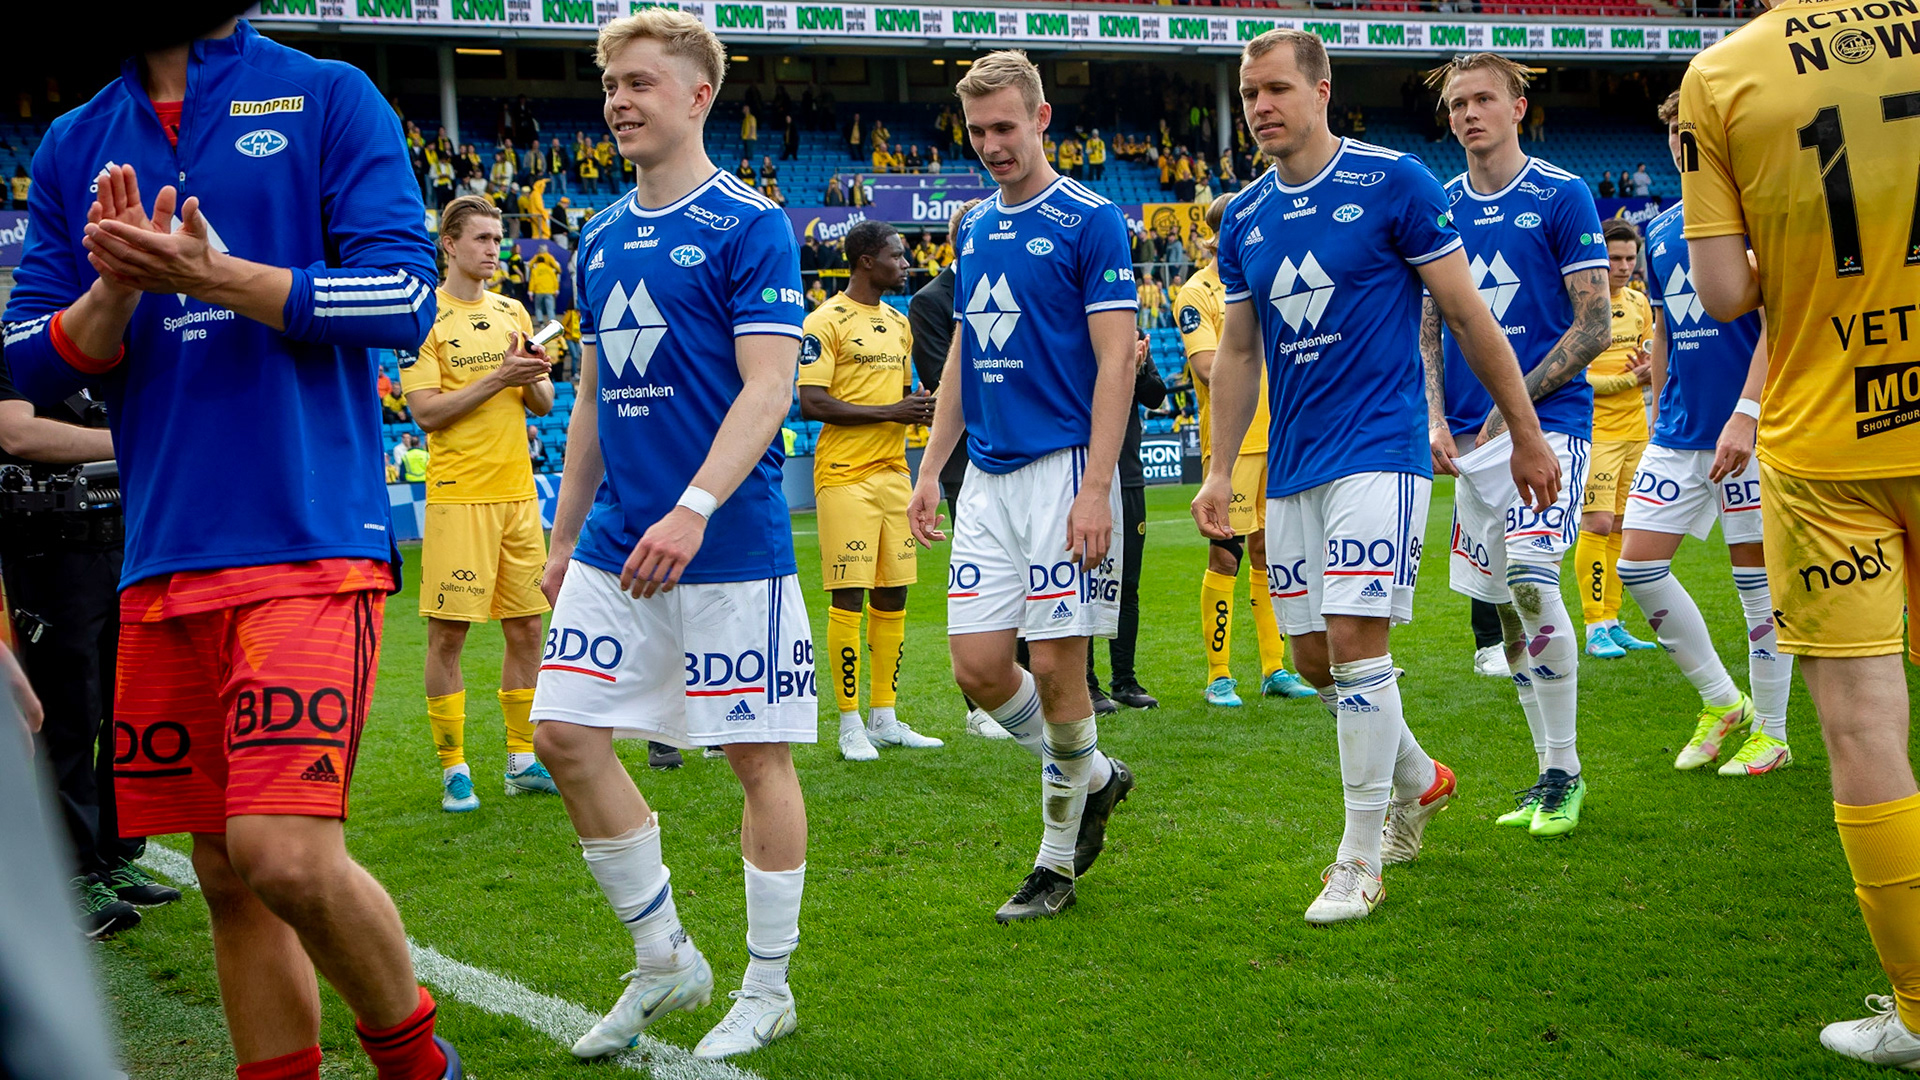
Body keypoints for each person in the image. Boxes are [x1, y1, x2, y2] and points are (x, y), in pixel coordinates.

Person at [3, 15, 463, 1080]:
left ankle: (424, 1069)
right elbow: (30, 356)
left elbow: (404, 296)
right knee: (224, 872)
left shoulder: (328, 93)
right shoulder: (76, 138)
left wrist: (220, 277)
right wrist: (117, 286)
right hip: (161, 557)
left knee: (282, 853)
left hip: (307, 540)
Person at [1196, 30, 1554, 924]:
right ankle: (1420, 777)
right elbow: (1237, 352)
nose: (1260, 107)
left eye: (1277, 89)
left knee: (1358, 645)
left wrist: (1525, 432)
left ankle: (1358, 859)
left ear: (1322, 90)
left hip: (1380, 451)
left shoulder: (1395, 181)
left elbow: (1467, 315)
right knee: (1314, 659)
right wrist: (1215, 470)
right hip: (1292, 466)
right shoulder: (1245, 216)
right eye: (1249, 93)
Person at [532, 10, 814, 1062]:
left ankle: (768, 987)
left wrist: (693, 507)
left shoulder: (750, 224)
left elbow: (769, 386)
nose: (617, 102)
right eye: (610, 85)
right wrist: (565, 537)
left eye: (639, 83)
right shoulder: (598, 235)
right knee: (564, 734)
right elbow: (593, 398)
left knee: (753, 756)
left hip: (726, 541)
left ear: (699, 96)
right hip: (617, 541)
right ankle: (664, 959)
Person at [1679, 0, 1920, 1062]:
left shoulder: (1721, 74)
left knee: (1864, 729)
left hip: (1828, 441)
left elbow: (1726, 290)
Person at [907, 50, 1138, 924]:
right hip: (988, 477)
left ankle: (1055, 864)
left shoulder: (1090, 219)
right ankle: (1096, 774)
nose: (992, 144)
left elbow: (1116, 360)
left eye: (1005, 126)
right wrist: (932, 467)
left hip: (1063, 470)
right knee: (977, 668)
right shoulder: (972, 226)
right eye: (977, 131)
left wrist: (1095, 487)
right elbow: (965, 354)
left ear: (1042, 119)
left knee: (1056, 668)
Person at [1422, 52, 1611, 838]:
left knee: (1533, 581)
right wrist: (1436, 419)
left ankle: (1567, 772)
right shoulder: (1439, 205)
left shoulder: (1561, 194)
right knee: (1505, 613)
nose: (1468, 114)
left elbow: (1594, 325)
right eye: (1457, 104)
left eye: (1482, 100)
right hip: (1472, 443)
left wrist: (1513, 408)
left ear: (1518, 107)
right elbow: (1430, 329)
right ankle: (1544, 774)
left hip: (1548, 427)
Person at [1616, 90, 1790, 778]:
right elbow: (1664, 326)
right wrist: (1658, 403)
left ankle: (1772, 732)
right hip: (1679, 432)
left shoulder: (1756, 213)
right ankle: (1723, 701)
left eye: (1692, 134)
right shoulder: (1661, 229)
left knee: (1757, 587)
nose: (1682, 147)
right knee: (1637, 565)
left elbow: (1779, 324)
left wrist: (1748, 413)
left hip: (1751, 430)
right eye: (1674, 137)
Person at [0, 348, 174, 940]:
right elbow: (16, 433)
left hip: (126, 539)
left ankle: (116, 855)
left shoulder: (116, 339)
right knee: (67, 713)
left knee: (128, 710)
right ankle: (75, 873)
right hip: (47, 546)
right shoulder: (15, 342)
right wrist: (133, 441)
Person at [401, 195, 560, 813]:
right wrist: (499, 376)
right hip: (459, 497)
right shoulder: (424, 318)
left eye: (498, 239)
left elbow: (542, 403)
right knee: (449, 636)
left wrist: (533, 371)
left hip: (518, 495)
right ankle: (454, 769)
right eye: (482, 239)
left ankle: (521, 760)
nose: (495, 249)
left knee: (528, 627)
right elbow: (427, 413)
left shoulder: (512, 310)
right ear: (450, 244)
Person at [797, 221, 943, 761]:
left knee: (894, 593)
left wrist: (919, 407)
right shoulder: (824, 320)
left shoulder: (900, 324)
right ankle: (849, 723)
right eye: (896, 256)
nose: (905, 264)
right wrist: (893, 411)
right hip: (844, 475)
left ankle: (885, 717)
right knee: (849, 595)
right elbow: (812, 402)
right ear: (865, 261)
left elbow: (902, 400)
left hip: (893, 474)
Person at [1175, 195, 1313, 707]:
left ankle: (1275, 668)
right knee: (1225, 553)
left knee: (1270, 554)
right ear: (1219, 236)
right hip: (1233, 445)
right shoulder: (1197, 293)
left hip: (1280, 435)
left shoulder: (1266, 279)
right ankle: (1219, 675)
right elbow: (1208, 366)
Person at [907, 199, 1008, 741]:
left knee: (1023, 576)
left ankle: (1020, 689)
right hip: (965, 454)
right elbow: (940, 375)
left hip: (1017, 447)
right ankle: (979, 705)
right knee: (979, 574)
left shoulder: (1008, 278)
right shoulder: (929, 301)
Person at [1575, 218, 1658, 659]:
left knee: (1624, 525)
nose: (1624, 266)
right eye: (1614, 258)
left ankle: (1612, 619)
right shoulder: (1580, 305)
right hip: (1597, 431)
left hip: (1635, 429)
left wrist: (1649, 370)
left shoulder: (1640, 302)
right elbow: (1578, 376)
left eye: (1629, 258)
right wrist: (1630, 381)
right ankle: (1593, 626)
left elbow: (1650, 357)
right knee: (1598, 523)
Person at [1087, 330, 1164, 713]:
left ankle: (1124, 680)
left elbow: (1156, 396)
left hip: (1129, 476)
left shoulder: (1132, 337)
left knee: (1127, 584)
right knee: (1082, 584)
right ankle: (1085, 683)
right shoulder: (1078, 338)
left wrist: (1138, 369)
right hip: (1084, 479)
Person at [527, 247, 561, 324]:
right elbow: (555, 280)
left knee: (538, 307)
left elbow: (532, 281)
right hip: (549, 290)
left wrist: (530, 292)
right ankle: (552, 322)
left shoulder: (535, 270)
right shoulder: (550, 269)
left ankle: (540, 321)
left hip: (538, 291)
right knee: (550, 308)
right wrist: (556, 290)